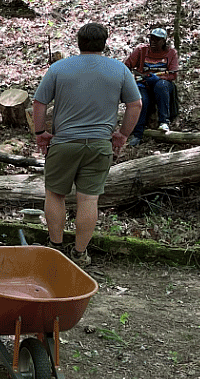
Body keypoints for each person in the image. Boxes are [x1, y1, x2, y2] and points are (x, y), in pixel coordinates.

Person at [32, 23, 142, 265]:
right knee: (89, 199)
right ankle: (80, 253)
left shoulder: (59, 68)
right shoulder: (120, 70)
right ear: (105, 43)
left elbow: (39, 102)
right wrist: (123, 134)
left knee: (55, 194)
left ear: (79, 41)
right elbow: (136, 105)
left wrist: (40, 132)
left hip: (64, 143)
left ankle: (55, 247)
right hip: (99, 145)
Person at [123, 27, 181, 146]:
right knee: (141, 100)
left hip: (162, 83)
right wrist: (133, 78)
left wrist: (159, 78)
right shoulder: (141, 50)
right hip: (142, 82)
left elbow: (173, 74)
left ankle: (164, 122)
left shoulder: (171, 53)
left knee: (161, 86)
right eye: (152, 39)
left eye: (157, 40)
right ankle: (137, 133)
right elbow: (127, 66)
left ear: (164, 41)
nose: (153, 42)